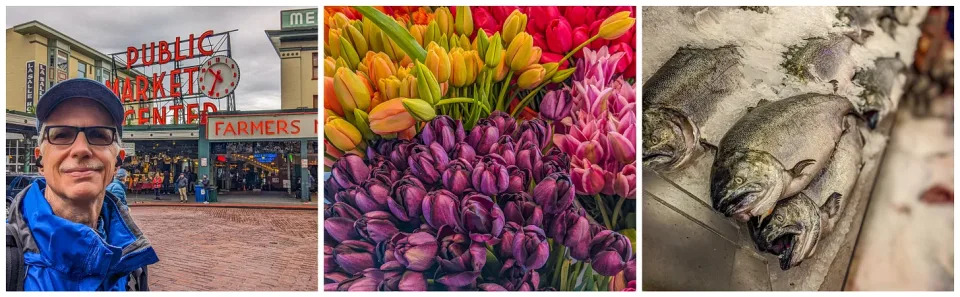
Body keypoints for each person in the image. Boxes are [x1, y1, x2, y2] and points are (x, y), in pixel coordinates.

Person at [5, 78, 158, 291]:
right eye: (61, 135)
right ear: (40, 160)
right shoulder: (7, 260)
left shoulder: (132, 260)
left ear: (117, 162)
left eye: (98, 134)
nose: (81, 149)